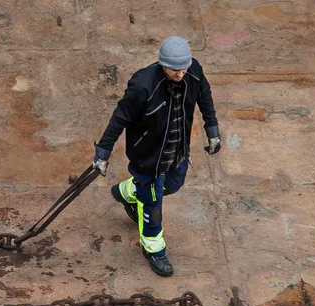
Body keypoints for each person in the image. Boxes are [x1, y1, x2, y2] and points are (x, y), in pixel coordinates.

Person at [91, 36, 221, 277]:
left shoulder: (193, 71)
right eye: (174, 70)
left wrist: (212, 129)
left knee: (173, 184)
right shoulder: (143, 85)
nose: (180, 74)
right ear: (163, 64)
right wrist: (103, 152)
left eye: (183, 68)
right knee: (152, 204)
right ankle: (153, 248)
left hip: (177, 151)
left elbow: (205, 97)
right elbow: (120, 118)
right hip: (148, 157)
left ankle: (126, 191)